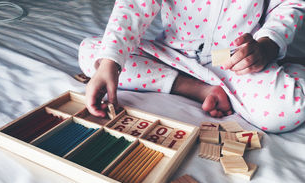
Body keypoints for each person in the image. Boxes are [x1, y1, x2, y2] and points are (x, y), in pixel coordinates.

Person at [78, 0, 305, 133]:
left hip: (231, 58)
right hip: (174, 52)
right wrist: (110, 62)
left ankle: (283, 70)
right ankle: (200, 89)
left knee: (284, 109)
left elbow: (288, 4)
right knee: (92, 53)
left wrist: (268, 45)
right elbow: (135, 5)